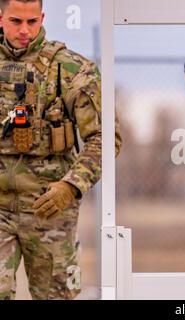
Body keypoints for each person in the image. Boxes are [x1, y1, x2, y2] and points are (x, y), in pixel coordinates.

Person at [0, 0, 121, 299]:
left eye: (32, 21)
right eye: (16, 21)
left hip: (50, 209)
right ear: (0, 17)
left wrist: (72, 185)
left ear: (42, 17)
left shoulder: (72, 70)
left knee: (56, 296)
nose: (25, 31)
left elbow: (106, 138)